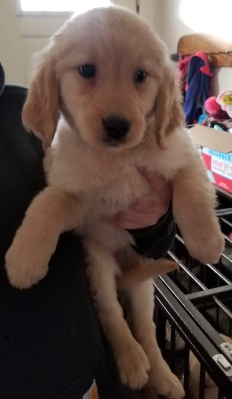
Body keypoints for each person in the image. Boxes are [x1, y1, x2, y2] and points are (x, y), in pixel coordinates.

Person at [0, 64, 174, 399]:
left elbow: (157, 242)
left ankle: (150, 350)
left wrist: (157, 218)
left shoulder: (30, 113)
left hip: (86, 371)